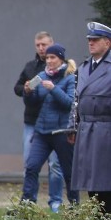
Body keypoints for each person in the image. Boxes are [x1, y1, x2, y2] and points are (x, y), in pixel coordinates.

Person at [21, 44, 79, 207]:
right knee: (31, 167)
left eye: (53, 57)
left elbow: (69, 103)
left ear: (61, 58)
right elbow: (32, 102)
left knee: (68, 173)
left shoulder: (70, 77)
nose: (49, 60)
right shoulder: (41, 76)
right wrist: (28, 92)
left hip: (62, 132)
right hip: (42, 131)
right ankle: (27, 205)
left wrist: (53, 89)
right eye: (47, 57)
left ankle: (75, 208)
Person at [14, 31, 65, 212]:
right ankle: (29, 202)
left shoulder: (62, 69)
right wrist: (27, 88)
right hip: (32, 121)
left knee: (55, 164)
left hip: (54, 124)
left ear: (52, 44)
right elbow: (18, 88)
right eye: (38, 45)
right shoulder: (31, 67)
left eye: (44, 44)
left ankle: (55, 202)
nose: (41, 48)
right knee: (30, 163)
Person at [70, 21, 111, 212]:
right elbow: (76, 99)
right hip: (86, 131)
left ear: (107, 43)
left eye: (95, 40)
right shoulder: (84, 67)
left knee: (105, 183)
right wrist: (73, 126)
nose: (91, 43)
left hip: (105, 131)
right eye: (89, 40)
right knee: (91, 185)